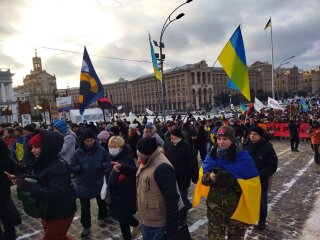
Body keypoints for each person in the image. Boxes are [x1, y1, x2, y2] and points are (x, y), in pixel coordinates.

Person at [9, 130, 77, 240]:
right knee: (59, 237)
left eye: (36, 147)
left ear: (47, 147)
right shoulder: (43, 161)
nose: (32, 150)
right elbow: (39, 180)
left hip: (61, 212)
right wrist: (21, 180)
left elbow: (55, 193)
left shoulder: (58, 166)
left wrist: (29, 186)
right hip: (47, 210)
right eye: (31, 147)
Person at [112, 137, 179, 239]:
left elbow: (172, 199)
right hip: (147, 219)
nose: (138, 157)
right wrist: (123, 168)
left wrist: (171, 228)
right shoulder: (148, 160)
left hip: (158, 224)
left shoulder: (163, 168)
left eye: (139, 154)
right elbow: (141, 173)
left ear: (147, 153)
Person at [202, 126, 261, 240]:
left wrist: (234, 182)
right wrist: (210, 177)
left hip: (236, 209)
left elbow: (252, 185)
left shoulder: (243, 157)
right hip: (215, 208)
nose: (221, 142)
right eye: (219, 139)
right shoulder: (212, 155)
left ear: (232, 140)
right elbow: (202, 180)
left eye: (225, 139)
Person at [69, 129, 110, 237]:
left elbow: (108, 162)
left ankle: (103, 216)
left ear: (94, 140)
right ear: (83, 141)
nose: (89, 143)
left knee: (102, 201)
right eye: (87, 141)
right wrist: (80, 167)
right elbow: (71, 167)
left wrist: (102, 166)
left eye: (91, 140)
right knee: (85, 207)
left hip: (98, 181)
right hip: (83, 183)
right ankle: (86, 226)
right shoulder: (77, 153)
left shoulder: (101, 150)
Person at [243, 126, 278, 231]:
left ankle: (262, 220)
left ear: (260, 136)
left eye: (255, 134)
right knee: (246, 199)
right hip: (246, 178)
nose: (252, 136)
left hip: (261, 179)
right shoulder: (245, 145)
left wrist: (260, 174)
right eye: (251, 133)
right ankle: (248, 217)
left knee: (261, 200)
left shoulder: (267, 147)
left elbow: (272, 165)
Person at [105, 136, 139, 240]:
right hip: (115, 195)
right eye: (111, 146)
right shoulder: (111, 158)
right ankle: (137, 224)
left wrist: (119, 183)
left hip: (124, 195)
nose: (112, 149)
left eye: (115, 146)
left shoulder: (127, 159)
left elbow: (132, 177)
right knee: (122, 217)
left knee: (123, 220)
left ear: (121, 147)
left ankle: (127, 236)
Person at [164, 128, 199, 226]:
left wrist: (195, 177)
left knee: (182, 199)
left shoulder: (186, 147)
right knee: (175, 198)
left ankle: (182, 218)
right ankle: (187, 205)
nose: (171, 137)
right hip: (171, 178)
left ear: (179, 136)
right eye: (171, 135)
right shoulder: (169, 145)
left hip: (183, 178)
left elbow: (192, 163)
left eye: (173, 135)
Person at [0, 139, 17, 240]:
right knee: (4, 211)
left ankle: (10, 235)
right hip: (4, 185)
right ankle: (10, 235)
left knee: (4, 212)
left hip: (2, 184)